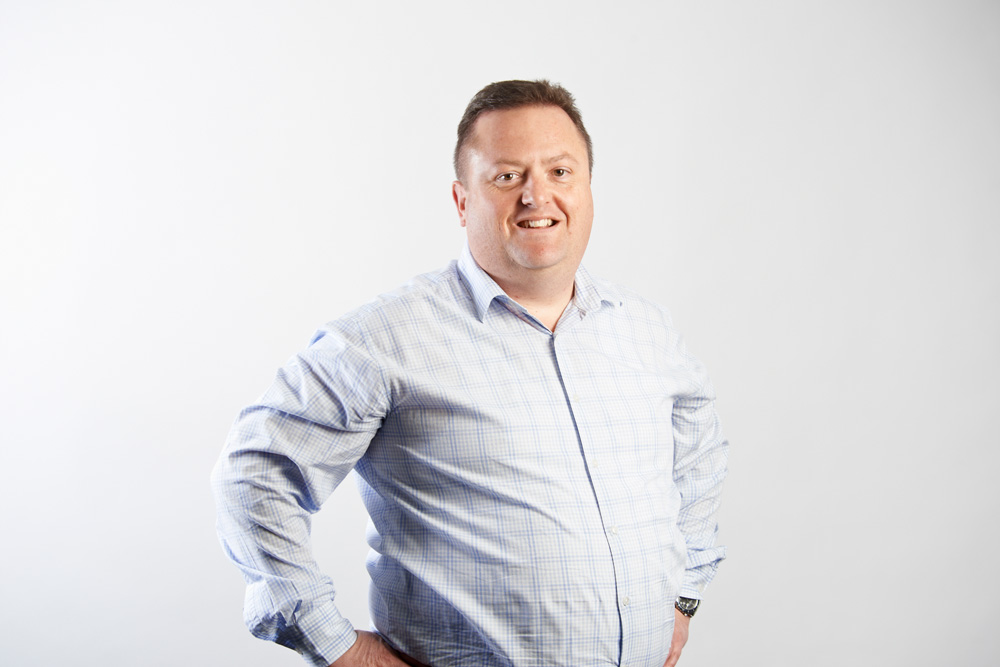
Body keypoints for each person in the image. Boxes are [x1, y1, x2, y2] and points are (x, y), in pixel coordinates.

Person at [212, 79, 729, 667]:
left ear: (587, 187)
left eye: (560, 172)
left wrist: (684, 598)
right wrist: (339, 648)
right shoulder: (383, 340)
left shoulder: (645, 330)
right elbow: (254, 473)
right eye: (507, 176)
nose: (537, 195)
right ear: (462, 201)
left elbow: (699, 459)